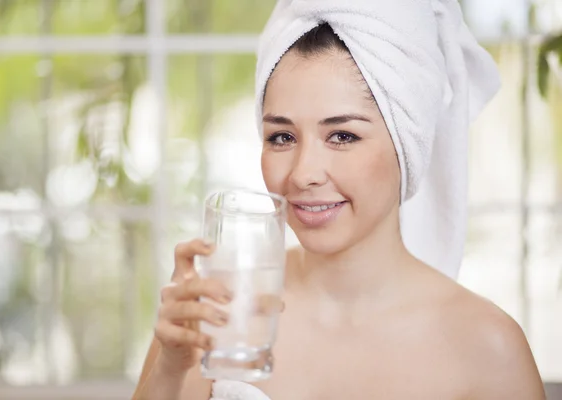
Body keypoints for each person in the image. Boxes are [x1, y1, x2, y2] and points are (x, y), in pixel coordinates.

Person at [132, 1, 545, 399]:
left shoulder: (489, 350)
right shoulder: (225, 310)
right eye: (282, 137)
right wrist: (172, 365)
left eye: (342, 136)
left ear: (407, 145)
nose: (303, 173)